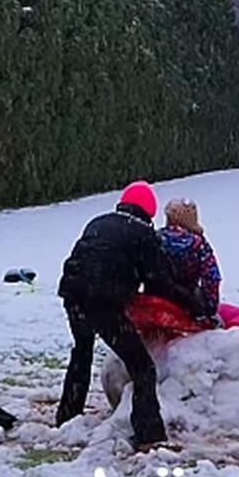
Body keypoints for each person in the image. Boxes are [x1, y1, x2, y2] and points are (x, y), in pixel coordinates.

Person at [56, 181, 173, 452]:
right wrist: (190, 300)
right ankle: (149, 434)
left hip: (72, 295)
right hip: (103, 302)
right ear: (149, 211)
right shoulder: (142, 232)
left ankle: (67, 416)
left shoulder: (99, 222)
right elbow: (158, 280)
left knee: (81, 353)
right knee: (142, 367)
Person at [138, 199, 239, 383]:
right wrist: (209, 309)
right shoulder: (197, 245)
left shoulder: (153, 241)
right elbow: (211, 279)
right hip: (188, 308)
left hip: (159, 306)